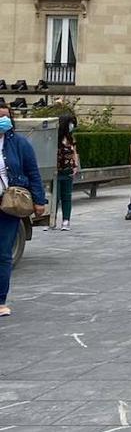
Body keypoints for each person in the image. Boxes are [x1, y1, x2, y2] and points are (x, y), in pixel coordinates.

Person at [0, 103, 48, 317]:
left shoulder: (20, 143)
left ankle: (0, 301)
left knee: (3, 254)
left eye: (6, 116)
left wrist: (39, 200)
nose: (4, 120)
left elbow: (33, 172)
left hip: (9, 203)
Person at [52, 114, 79, 230]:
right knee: (55, 197)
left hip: (67, 170)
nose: (72, 126)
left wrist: (75, 165)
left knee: (66, 197)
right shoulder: (54, 137)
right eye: (71, 123)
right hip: (56, 171)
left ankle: (66, 221)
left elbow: (75, 153)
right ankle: (52, 220)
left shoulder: (71, 138)